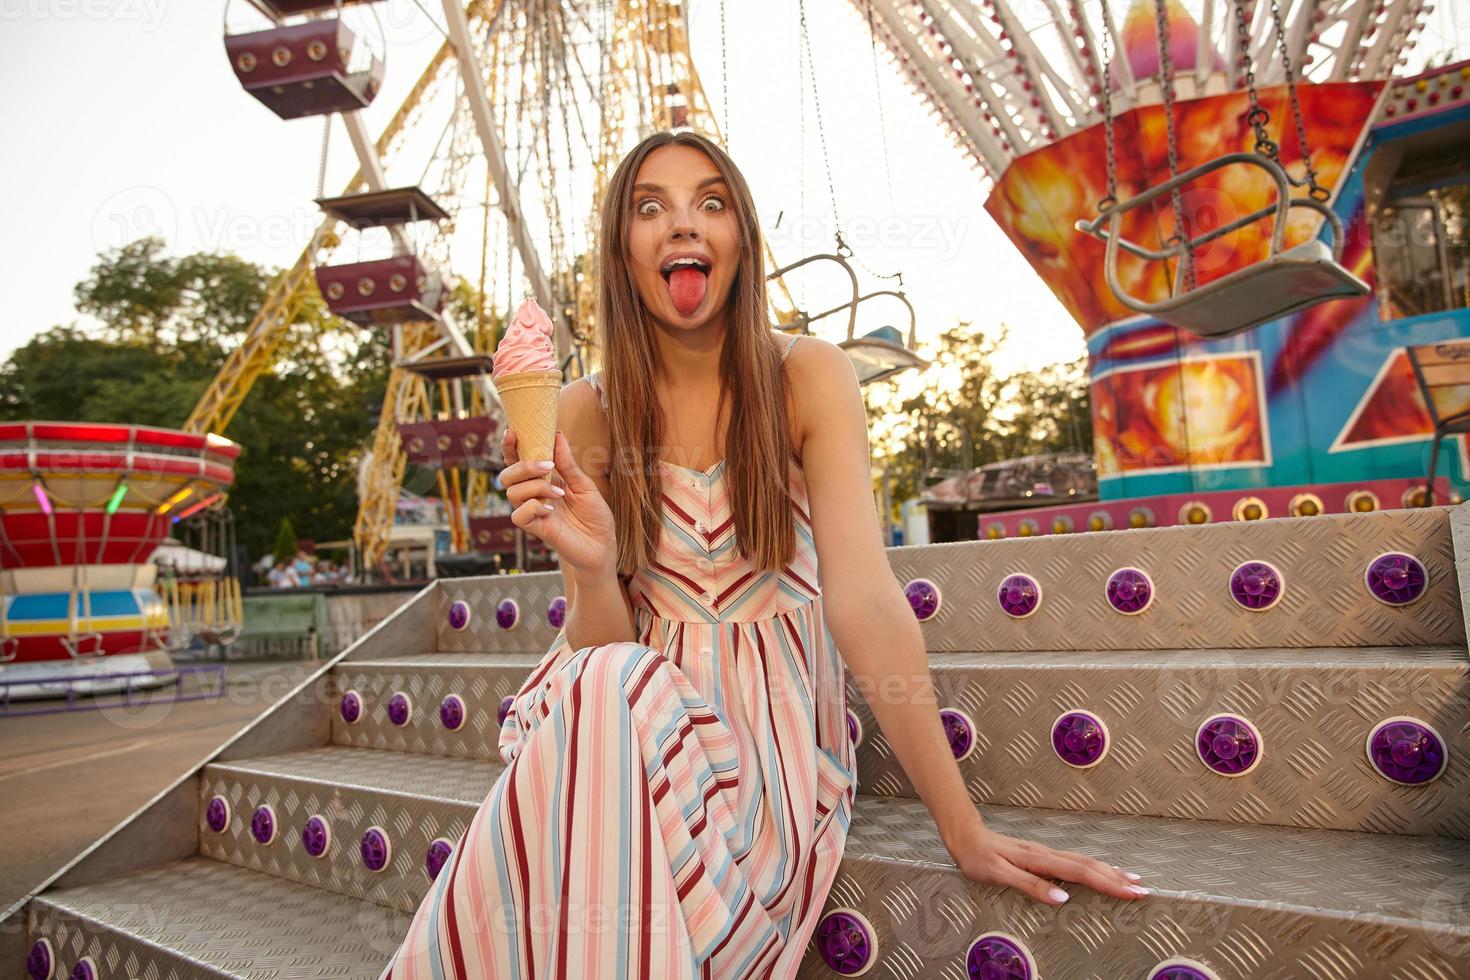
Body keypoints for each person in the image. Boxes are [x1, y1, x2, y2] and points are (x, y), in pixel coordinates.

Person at [381, 130, 1144, 980]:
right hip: (621, 707)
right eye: (651, 208)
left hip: (767, 737)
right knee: (602, 688)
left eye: (710, 203)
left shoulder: (808, 376)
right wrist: (594, 567)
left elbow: (862, 598)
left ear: (740, 239)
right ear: (622, 249)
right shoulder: (581, 413)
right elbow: (601, 646)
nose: (683, 225)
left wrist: (962, 827)